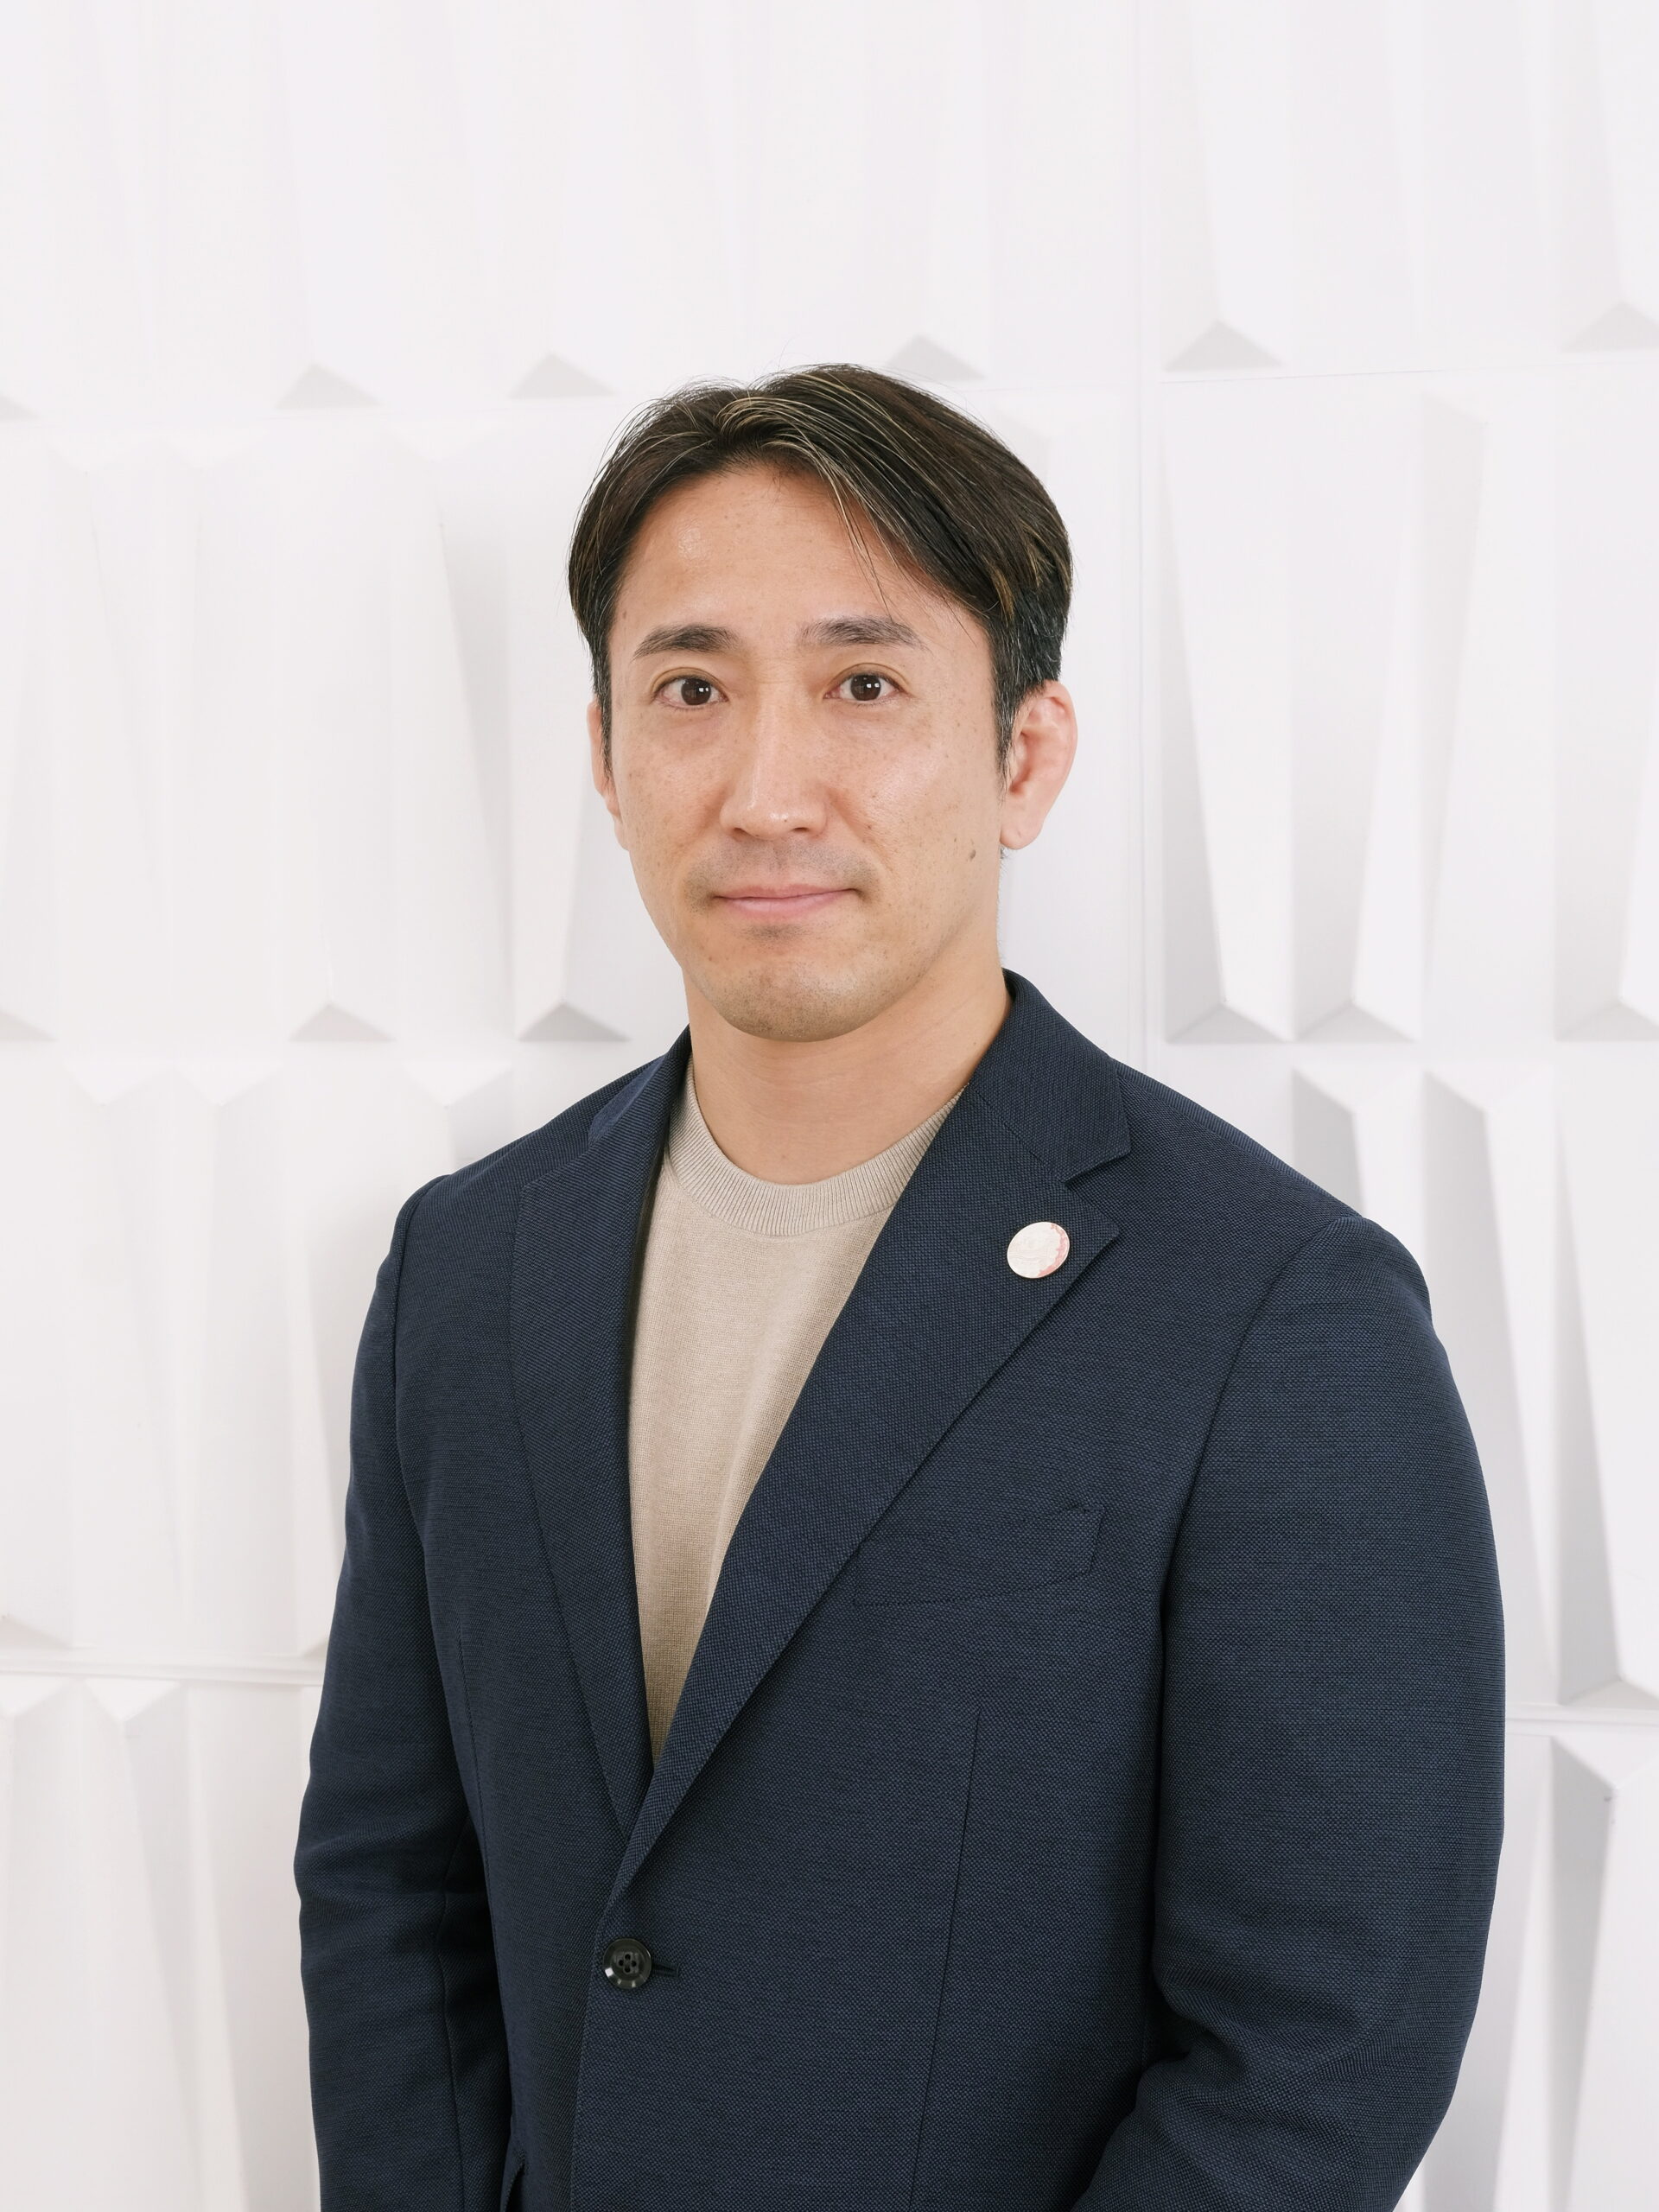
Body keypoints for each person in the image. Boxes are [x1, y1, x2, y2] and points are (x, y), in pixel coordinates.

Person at [294, 364, 1505, 2212]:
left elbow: (1318, 2053)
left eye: (864, 685)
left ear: (1025, 756)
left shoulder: (1274, 1313)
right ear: (607, 757)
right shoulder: (473, 1266)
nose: (766, 790)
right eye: (691, 690)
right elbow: (393, 1887)